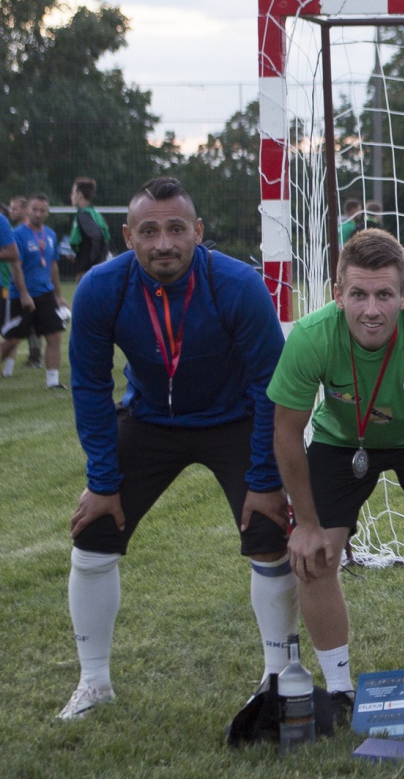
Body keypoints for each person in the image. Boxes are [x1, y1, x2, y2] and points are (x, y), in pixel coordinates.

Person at [61, 176, 293, 720]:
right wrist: (102, 482)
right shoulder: (100, 288)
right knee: (94, 530)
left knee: (268, 531)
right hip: (150, 420)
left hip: (234, 418)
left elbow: (271, 385)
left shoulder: (238, 285)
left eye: (175, 229)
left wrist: (265, 479)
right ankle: (93, 683)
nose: (163, 243)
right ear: (128, 237)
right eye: (148, 231)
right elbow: (90, 387)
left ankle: (279, 677)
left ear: (198, 232)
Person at [269, 228, 404, 712]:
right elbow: (286, 431)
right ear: (337, 294)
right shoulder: (310, 336)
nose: (371, 309)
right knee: (315, 556)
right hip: (343, 439)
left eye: (385, 295)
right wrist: (306, 523)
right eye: (359, 295)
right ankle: (339, 689)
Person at [1, 194, 68, 387]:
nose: (38, 213)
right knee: (12, 340)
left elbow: (53, 266)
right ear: (28, 210)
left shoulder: (50, 234)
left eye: (42, 210)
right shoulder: (18, 234)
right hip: (21, 296)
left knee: (54, 336)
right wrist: (24, 294)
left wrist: (58, 295)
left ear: (48, 212)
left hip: (45, 294)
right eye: (35, 209)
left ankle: (53, 382)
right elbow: (16, 266)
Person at [68, 177, 113, 277]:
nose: (71, 196)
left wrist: (92, 262)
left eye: (73, 192)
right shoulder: (95, 214)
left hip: (88, 271)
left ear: (79, 195)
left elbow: (96, 236)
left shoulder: (83, 215)